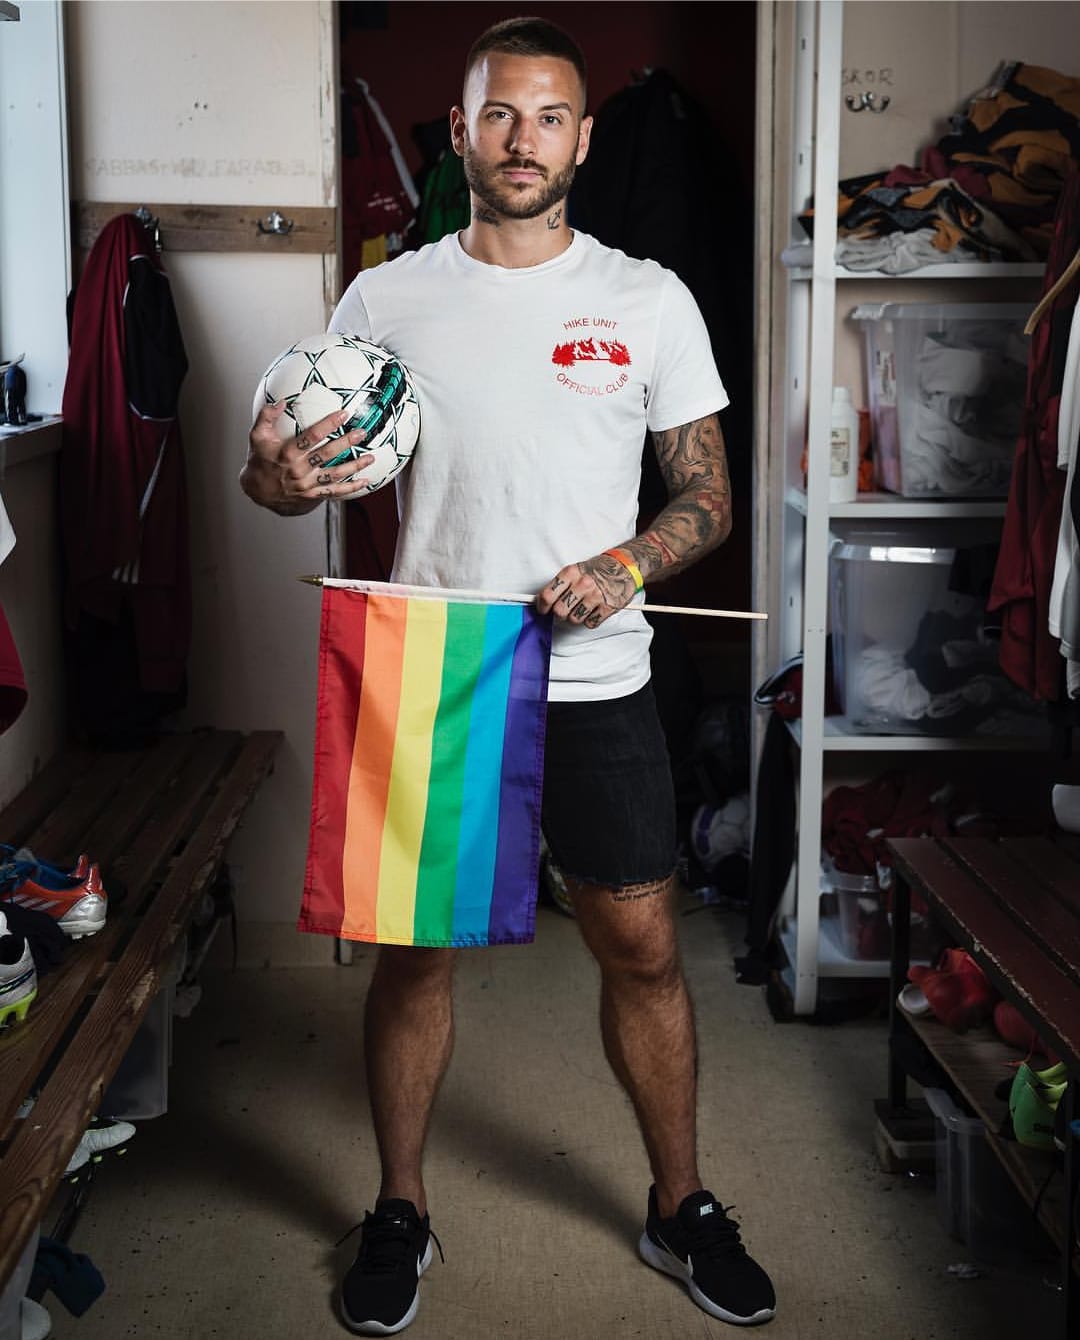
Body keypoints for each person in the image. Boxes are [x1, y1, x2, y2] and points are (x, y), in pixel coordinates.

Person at [241, 16, 775, 1335]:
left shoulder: (649, 297)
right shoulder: (385, 299)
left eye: (547, 117)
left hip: (595, 670)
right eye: (497, 115)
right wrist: (272, 474)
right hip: (435, 667)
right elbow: (290, 461)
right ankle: (403, 1209)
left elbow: (706, 494)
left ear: (583, 141)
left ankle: (679, 1205)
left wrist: (631, 562)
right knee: (417, 961)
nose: (522, 138)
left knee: (643, 947)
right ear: (462, 135)